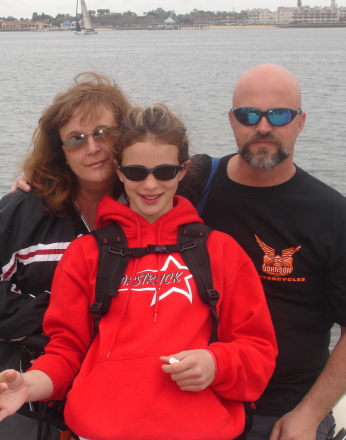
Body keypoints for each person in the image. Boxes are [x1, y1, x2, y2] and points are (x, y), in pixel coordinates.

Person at [0, 104, 277, 440]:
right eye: (135, 172)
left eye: (163, 171)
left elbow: (259, 352)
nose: (149, 185)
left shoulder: (220, 251)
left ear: (183, 170)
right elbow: (66, 352)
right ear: (118, 171)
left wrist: (216, 363)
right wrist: (29, 385)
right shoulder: (85, 255)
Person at [189, 64, 346, 440]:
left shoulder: (332, 215)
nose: (263, 127)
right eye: (248, 115)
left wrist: (308, 415)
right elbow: (114, 181)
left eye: (279, 114)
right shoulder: (192, 183)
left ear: (300, 122)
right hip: (194, 396)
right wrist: (33, 186)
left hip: (281, 410)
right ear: (231, 121)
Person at [0, 71, 131, 438]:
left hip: (122, 401)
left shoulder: (152, 206)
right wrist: (59, 314)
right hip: (32, 396)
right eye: (76, 139)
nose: (93, 148)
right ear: (60, 151)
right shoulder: (22, 211)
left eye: (104, 133)